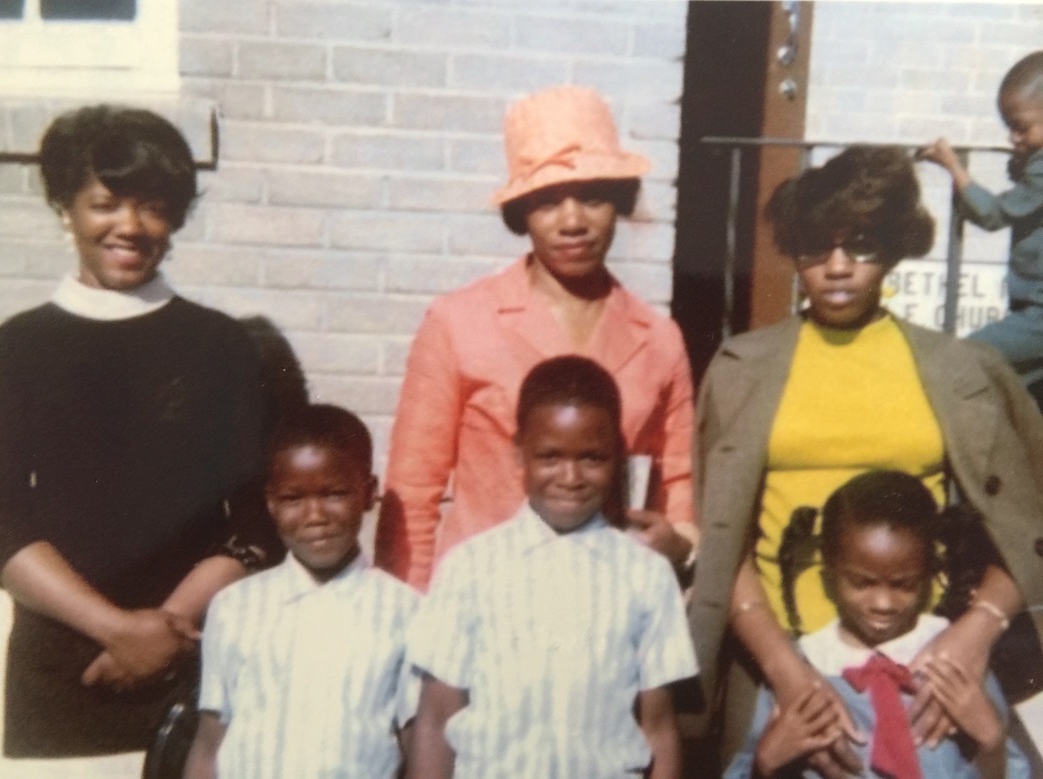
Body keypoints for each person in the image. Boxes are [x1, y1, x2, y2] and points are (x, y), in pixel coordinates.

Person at [687, 146, 1043, 774]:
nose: (838, 267)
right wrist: (785, 671)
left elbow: (1026, 525)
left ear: (896, 246)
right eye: (815, 249)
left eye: (861, 246)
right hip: (780, 673)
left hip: (925, 675)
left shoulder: (960, 371)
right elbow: (723, 544)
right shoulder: (742, 371)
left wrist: (973, 634)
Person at [0, 105, 281, 775]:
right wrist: (116, 629)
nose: (130, 227)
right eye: (105, 203)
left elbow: (255, 520)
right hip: (52, 676)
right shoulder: (20, 346)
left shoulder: (221, 347)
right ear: (66, 207)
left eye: (154, 206)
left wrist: (159, 633)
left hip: (191, 664)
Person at [375, 84, 697, 592]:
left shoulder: (658, 339)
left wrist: (678, 546)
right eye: (547, 201)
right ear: (521, 211)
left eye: (592, 196)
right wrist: (405, 616)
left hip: (605, 603)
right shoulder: (458, 322)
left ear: (618, 202)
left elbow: (677, 483)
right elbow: (413, 494)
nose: (573, 221)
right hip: (482, 599)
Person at [405, 356, 697, 779]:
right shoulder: (470, 568)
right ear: (518, 451)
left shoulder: (645, 575)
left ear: (617, 456)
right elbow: (435, 719)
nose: (571, 476)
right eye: (550, 457)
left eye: (592, 458)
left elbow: (659, 728)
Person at [726, 470, 1030, 779]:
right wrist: (765, 762)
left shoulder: (954, 660)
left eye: (903, 584)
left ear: (928, 572)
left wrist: (992, 742)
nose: (883, 604)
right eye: (862, 583)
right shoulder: (805, 668)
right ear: (828, 572)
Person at [183, 404, 419, 779]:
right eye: (294, 499)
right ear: (271, 503)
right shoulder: (235, 607)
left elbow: (417, 746)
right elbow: (211, 741)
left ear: (369, 492)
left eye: (334, 494)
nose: (315, 516)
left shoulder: (406, 613)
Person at [920, 50, 1043, 387]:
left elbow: (993, 215)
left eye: (1021, 127)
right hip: (1030, 303)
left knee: (967, 355)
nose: (1012, 138)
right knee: (1019, 393)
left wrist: (953, 166)